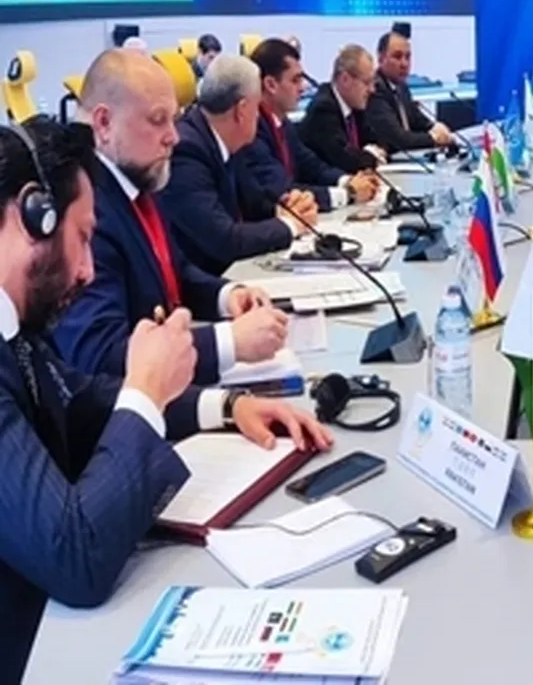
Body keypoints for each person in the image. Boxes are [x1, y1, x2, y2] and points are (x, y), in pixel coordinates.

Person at [0, 120, 333, 681]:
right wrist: (146, 392)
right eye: (82, 238)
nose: (87, 270)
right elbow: (76, 558)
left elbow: (77, 400)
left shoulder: (18, 330)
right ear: (35, 216)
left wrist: (223, 408)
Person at [55, 49, 290, 388]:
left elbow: (174, 272)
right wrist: (228, 343)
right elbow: (100, 354)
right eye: (157, 120)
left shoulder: (137, 182)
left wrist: (227, 296)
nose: (174, 136)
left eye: (174, 118)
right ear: (104, 123)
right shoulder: (87, 213)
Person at [161, 55, 312, 275]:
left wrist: (288, 208)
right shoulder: (186, 152)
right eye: (257, 107)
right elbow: (223, 239)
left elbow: (256, 201)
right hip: (207, 283)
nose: (258, 117)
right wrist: (290, 226)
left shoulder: (229, 141)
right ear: (241, 110)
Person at [245, 38, 378, 212]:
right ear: (271, 84)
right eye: (295, 81)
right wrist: (348, 193)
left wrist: (346, 181)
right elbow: (281, 189)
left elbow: (312, 165)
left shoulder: (283, 123)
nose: (302, 88)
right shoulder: (251, 129)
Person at [297, 44, 386, 173]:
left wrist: (371, 153)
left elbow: (379, 141)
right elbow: (345, 160)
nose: (372, 90)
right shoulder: (323, 109)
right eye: (366, 82)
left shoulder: (355, 105)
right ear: (345, 79)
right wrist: (372, 156)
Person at [366, 31, 455, 154]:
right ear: (381, 59)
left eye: (408, 57)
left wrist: (435, 127)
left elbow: (417, 119)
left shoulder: (401, 86)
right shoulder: (375, 90)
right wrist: (434, 138)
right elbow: (400, 139)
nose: (404, 64)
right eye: (397, 57)